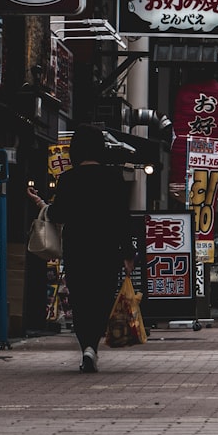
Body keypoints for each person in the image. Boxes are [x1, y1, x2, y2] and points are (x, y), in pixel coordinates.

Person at [27, 124, 135, 373]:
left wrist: (42, 205)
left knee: (81, 299)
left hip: (78, 249)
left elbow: (59, 213)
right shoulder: (113, 178)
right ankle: (92, 347)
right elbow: (122, 218)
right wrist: (128, 252)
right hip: (107, 250)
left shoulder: (68, 179)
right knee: (101, 298)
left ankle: (87, 346)